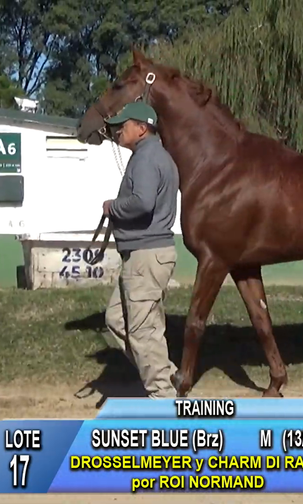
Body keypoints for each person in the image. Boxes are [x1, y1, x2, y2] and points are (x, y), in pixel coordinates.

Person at [101, 101, 181, 399]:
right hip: (147, 254)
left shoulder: (147, 159)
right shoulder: (157, 156)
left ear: (142, 128)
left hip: (146, 256)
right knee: (117, 319)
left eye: (125, 124)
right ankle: (167, 378)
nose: (120, 130)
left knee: (143, 331)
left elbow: (143, 202)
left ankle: (163, 399)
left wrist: (113, 206)